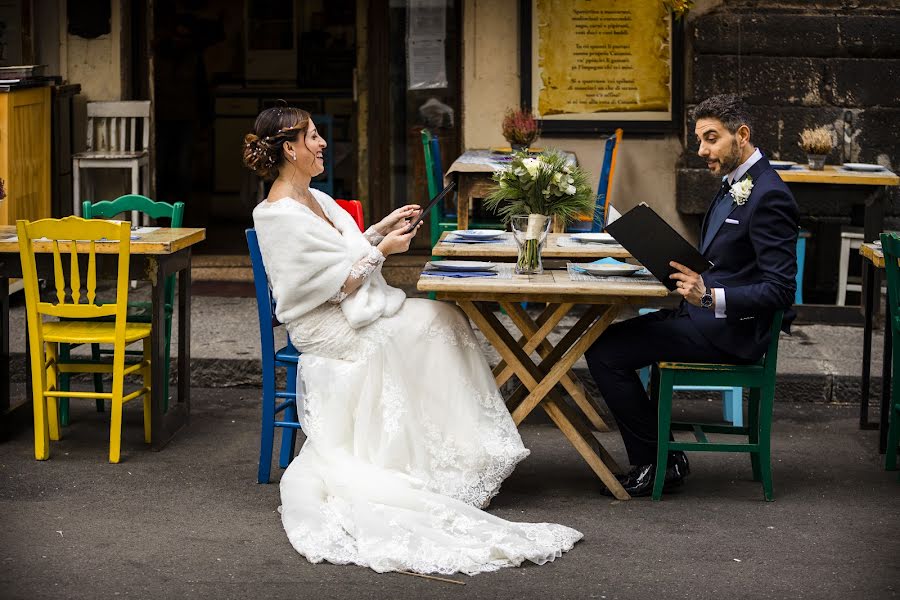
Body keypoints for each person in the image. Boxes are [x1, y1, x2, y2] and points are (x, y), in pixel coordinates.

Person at [245, 106, 581, 575]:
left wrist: (380, 229)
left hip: (353, 308)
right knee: (431, 326)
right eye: (314, 137)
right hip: (327, 327)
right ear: (289, 148)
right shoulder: (276, 213)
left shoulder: (315, 198)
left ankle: (459, 454)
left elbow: (341, 254)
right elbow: (333, 284)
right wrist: (383, 250)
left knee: (443, 317)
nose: (322, 144)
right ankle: (428, 462)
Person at [585, 94, 799, 497]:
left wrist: (709, 296)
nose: (702, 151)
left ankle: (655, 463)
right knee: (606, 344)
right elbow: (727, 258)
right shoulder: (733, 184)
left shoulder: (769, 195)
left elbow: (781, 289)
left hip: (731, 332)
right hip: (700, 317)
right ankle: (665, 456)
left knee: (606, 353)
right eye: (699, 140)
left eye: (711, 139)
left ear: (742, 134)